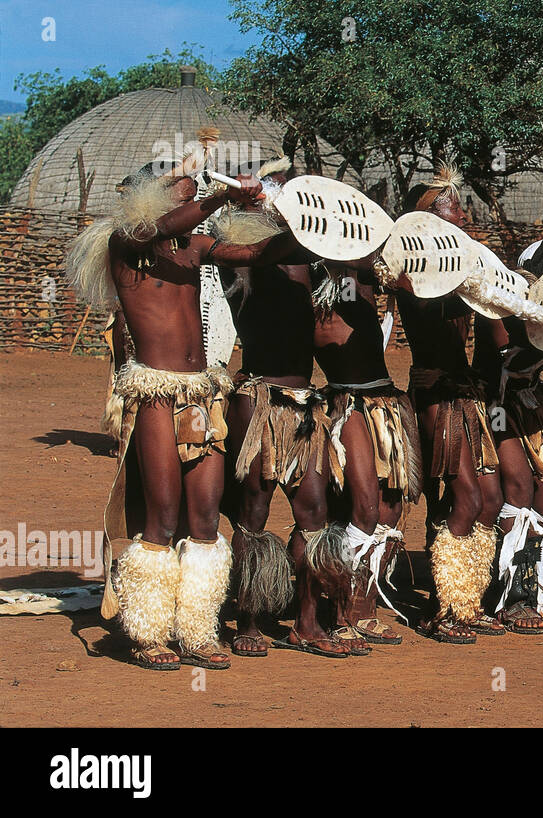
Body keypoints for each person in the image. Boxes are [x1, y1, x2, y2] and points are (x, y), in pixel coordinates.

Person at [66, 156, 285, 670]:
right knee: (162, 514)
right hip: (156, 394)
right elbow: (163, 225)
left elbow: (254, 252)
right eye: (183, 195)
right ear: (155, 197)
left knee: (205, 517)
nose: (191, 203)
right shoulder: (127, 241)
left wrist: (296, 222)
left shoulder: (195, 247)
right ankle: (148, 631)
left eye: (193, 195)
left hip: (203, 393)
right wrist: (223, 198)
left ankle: (198, 629)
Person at [218, 158, 351, 659]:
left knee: (314, 511)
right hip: (258, 401)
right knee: (253, 512)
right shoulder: (243, 254)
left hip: (305, 403)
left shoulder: (309, 260)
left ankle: (306, 621)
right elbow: (281, 244)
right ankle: (248, 620)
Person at [393, 167, 502, 645]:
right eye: (453, 207)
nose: (464, 214)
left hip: (467, 392)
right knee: (467, 498)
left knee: (489, 500)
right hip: (436, 390)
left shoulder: (468, 265)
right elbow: (419, 299)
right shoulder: (408, 272)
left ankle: (465, 598)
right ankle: (446, 610)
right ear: (426, 220)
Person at [311, 235, 422, 651]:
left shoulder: (369, 277)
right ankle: (340, 612)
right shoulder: (314, 281)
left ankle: (366, 607)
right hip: (348, 403)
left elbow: (410, 281)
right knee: (363, 507)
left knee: (391, 510)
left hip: (386, 400)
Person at [473, 242, 543, 634]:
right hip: (494, 402)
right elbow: (503, 358)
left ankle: (530, 583)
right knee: (516, 488)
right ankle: (507, 594)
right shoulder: (496, 303)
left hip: (530, 401)